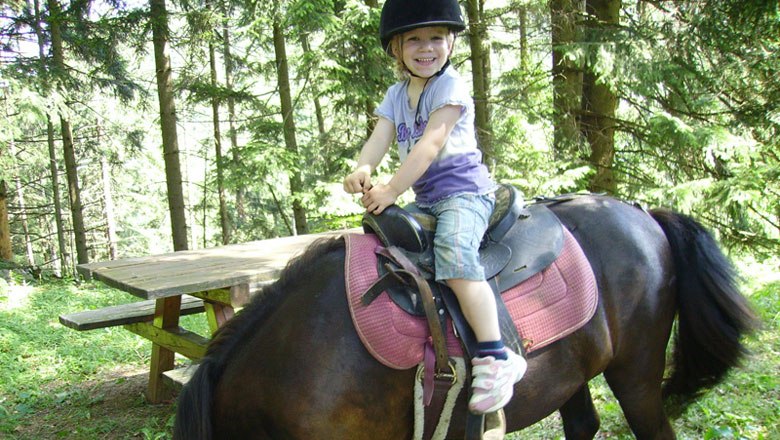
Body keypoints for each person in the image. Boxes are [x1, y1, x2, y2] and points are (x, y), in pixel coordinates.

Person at [343, 0, 526, 415]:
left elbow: (430, 144)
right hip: (427, 198)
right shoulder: (396, 95)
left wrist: (391, 188)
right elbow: (380, 137)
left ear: (451, 42)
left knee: (454, 255)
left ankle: (496, 355)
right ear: (396, 47)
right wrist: (363, 167)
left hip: (464, 194)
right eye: (414, 40)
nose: (426, 48)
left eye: (437, 38)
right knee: (388, 247)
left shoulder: (450, 87)